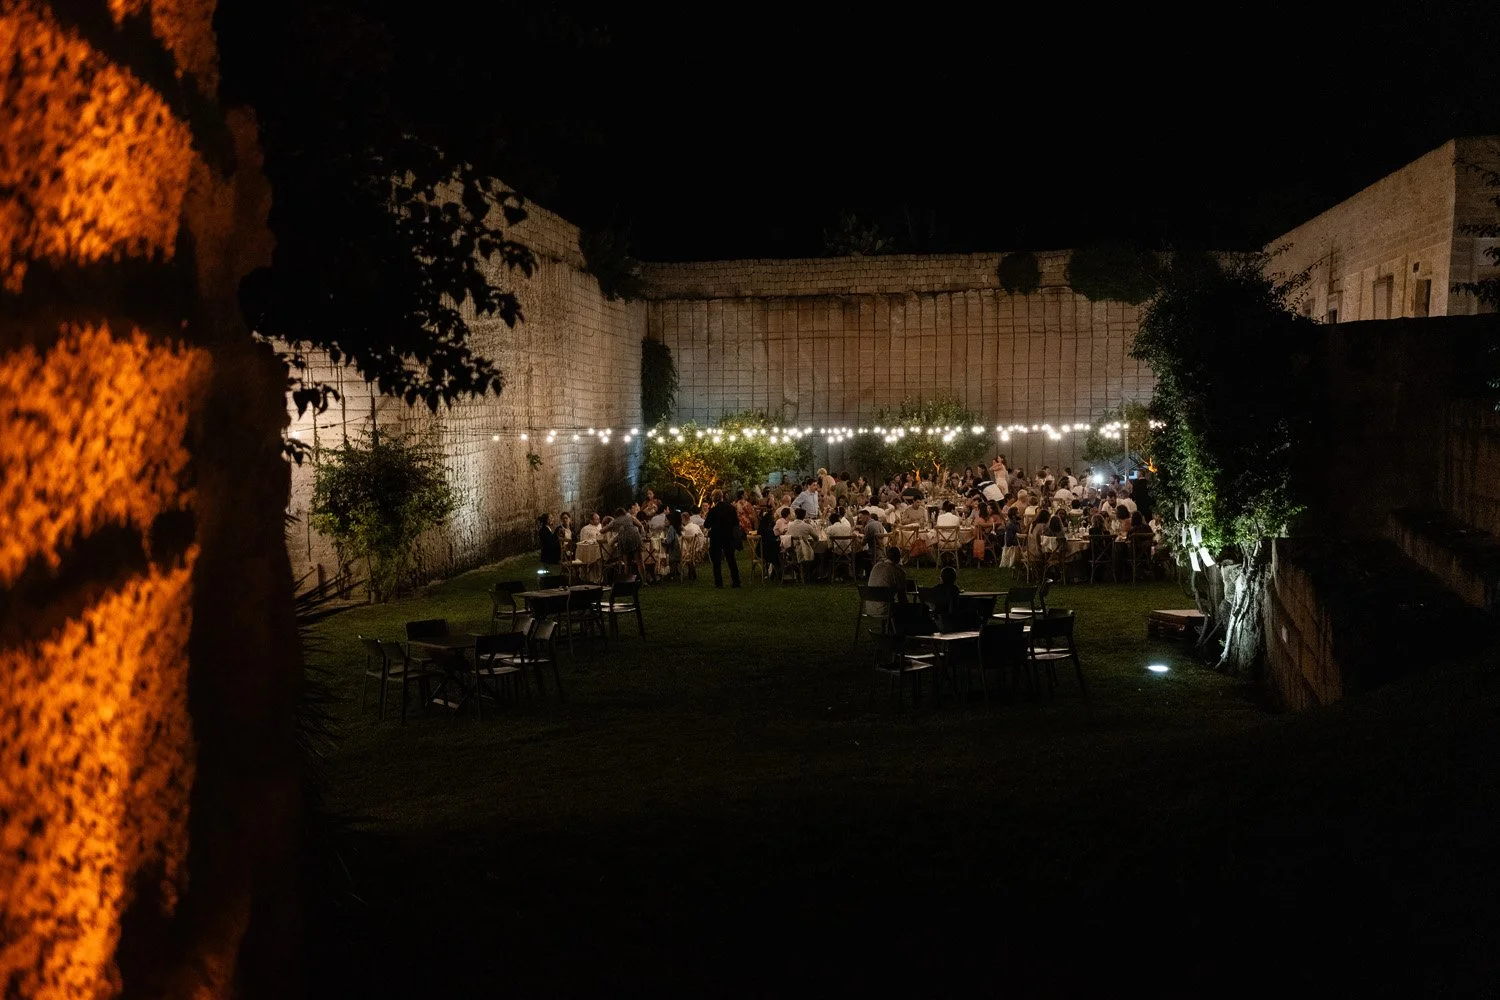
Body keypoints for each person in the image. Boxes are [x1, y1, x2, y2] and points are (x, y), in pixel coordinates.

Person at [705, 489, 742, 588]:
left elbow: (706, 524)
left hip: (716, 537)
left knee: (716, 561)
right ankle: (736, 580)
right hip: (728, 536)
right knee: (731, 559)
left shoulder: (713, 510)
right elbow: (736, 522)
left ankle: (718, 582)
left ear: (714, 498)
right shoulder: (730, 508)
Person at [866, 545, 909, 614]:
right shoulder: (898, 571)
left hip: (870, 608)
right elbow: (902, 597)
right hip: (886, 609)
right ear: (898, 558)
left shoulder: (876, 566)